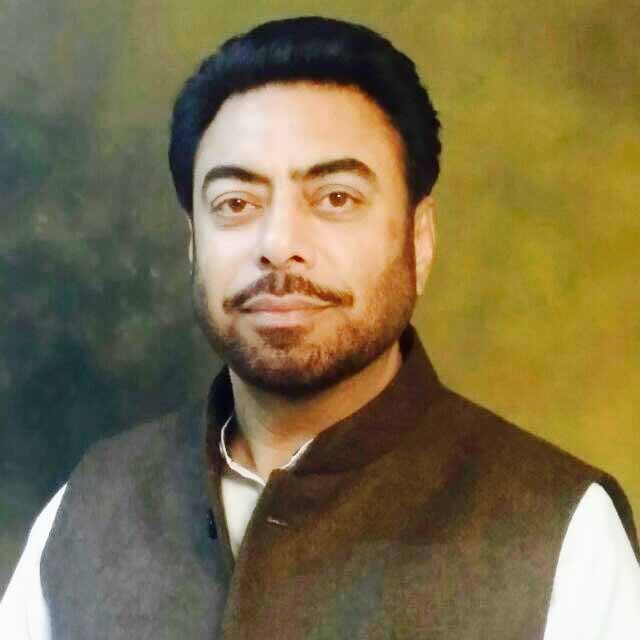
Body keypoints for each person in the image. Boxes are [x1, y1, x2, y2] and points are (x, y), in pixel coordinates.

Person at [1, 15, 639, 640]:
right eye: (236, 204)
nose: (278, 245)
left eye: (336, 198)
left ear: (419, 238)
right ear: (193, 242)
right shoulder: (87, 511)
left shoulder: (561, 531)